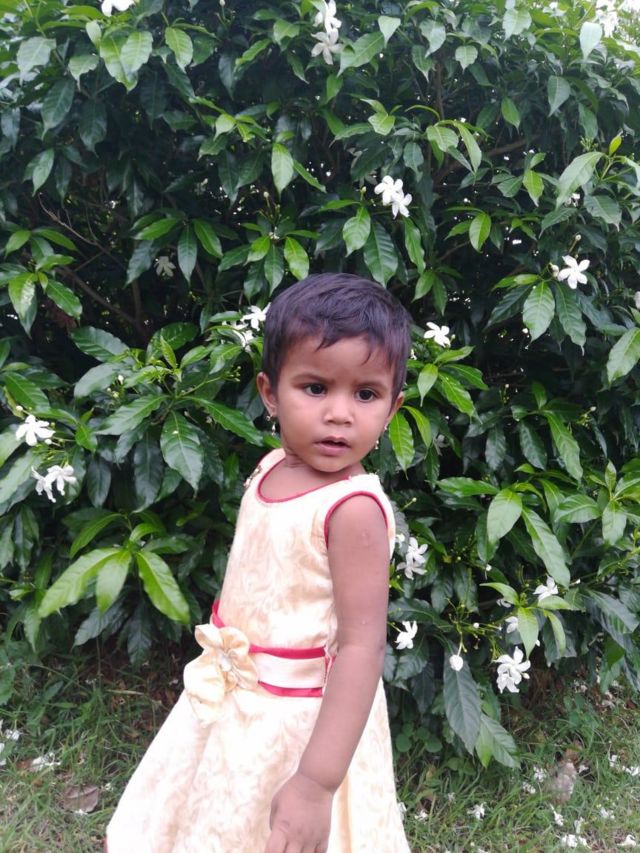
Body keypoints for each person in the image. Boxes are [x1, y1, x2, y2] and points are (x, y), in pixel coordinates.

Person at [106, 273, 413, 853]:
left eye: (366, 394)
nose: (340, 414)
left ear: (393, 407)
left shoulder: (352, 511)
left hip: (302, 729)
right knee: (217, 816)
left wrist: (316, 783)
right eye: (315, 387)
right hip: (235, 704)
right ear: (270, 393)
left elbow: (362, 648)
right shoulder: (272, 466)